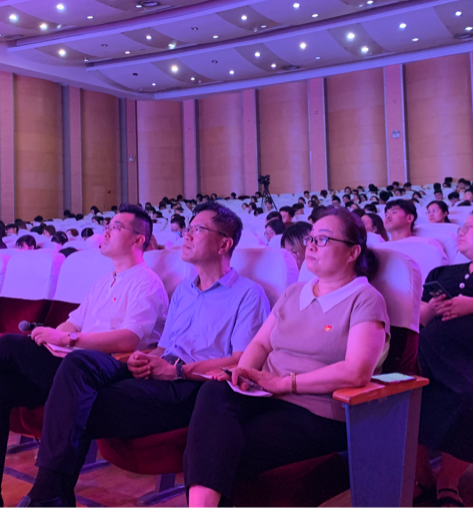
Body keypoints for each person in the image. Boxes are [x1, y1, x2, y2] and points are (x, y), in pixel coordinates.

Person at [19, 202, 270, 509]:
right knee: (78, 363)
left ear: (224, 244)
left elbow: (241, 361)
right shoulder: (183, 292)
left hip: (192, 386)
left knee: (78, 405)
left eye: (198, 229)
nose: (188, 235)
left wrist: (177, 371)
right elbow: (163, 348)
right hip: (159, 373)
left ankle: (48, 495)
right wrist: (144, 357)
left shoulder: (248, 294)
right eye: (188, 228)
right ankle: (51, 495)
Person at [184, 208, 391, 508]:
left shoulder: (365, 299)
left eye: (323, 239)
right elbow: (260, 344)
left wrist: (285, 384)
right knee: (213, 392)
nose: (311, 245)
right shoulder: (294, 293)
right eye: (311, 238)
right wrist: (242, 374)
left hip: (316, 411)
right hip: (265, 395)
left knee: (218, 448)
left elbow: (356, 372)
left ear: (352, 252)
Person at [0, 204, 170, 510]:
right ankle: (47, 496)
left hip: (109, 367)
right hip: (71, 361)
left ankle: (50, 495)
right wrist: (50, 338)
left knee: (8, 345)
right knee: (3, 386)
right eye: (108, 225)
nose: (107, 232)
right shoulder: (103, 282)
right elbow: (73, 322)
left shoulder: (147, 282)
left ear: (138, 239)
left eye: (116, 227)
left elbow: (129, 338)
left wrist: (67, 339)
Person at [415, 215, 473, 509]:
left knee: (467, 396)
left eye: (469, 228)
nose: (460, 233)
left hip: (466, 359)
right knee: (408, 393)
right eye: (462, 227)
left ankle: (448, 480)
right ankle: (422, 475)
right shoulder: (441, 272)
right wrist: (431, 310)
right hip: (430, 356)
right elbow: (420, 316)